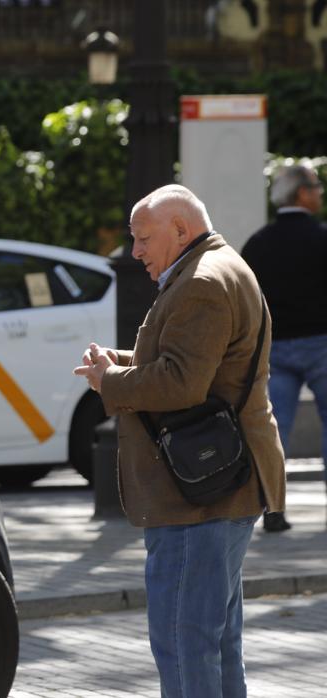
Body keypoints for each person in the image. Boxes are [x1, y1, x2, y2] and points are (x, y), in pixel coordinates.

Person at [73, 185, 285, 698]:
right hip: (218, 483)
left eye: (144, 239)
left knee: (182, 639)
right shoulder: (216, 267)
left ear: (180, 230)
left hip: (202, 493)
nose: (136, 252)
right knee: (214, 640)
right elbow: (195, 366)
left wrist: (111, 383)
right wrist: (121, 364)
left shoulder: (202, 283)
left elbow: (181, 383)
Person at [241, 163, 327, 533]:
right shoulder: (322, 238)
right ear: (302, 193)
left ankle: (273, 508)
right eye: (317, 187)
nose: (320, 193)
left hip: (275, 347)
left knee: (275, 430)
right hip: (322, 344)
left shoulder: (258, 243)